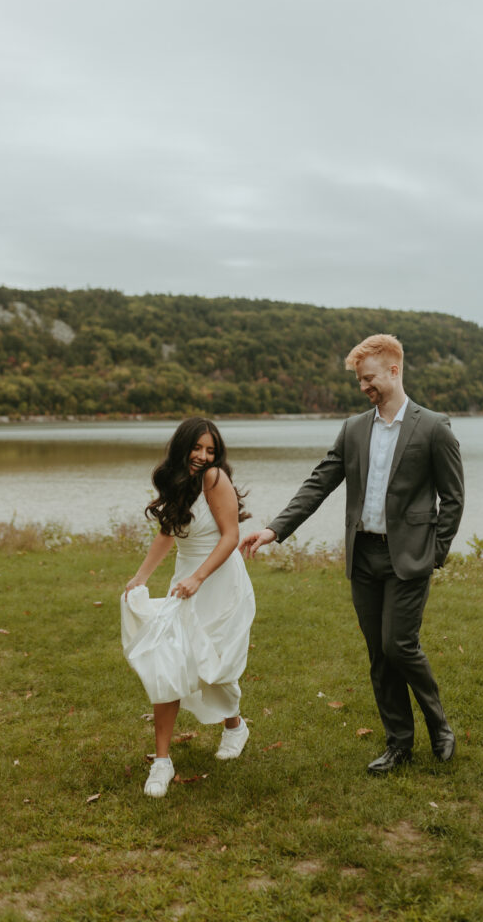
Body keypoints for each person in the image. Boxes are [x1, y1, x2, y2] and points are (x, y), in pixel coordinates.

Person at [240, 334, 464, 775]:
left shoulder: (434, 427)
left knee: (399, 646)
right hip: (364, 558)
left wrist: (434, 554)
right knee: (379, 656)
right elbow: (319, 483)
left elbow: (452, 498)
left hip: (409, 558)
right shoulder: (353, 429)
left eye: (369, 378)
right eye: (360, 380)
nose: (364, 386)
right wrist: (274, 529)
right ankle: (399, 743)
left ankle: (438, 724)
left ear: (394, 370)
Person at [121, 417, 255, 797]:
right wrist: (141, 577)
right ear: (182, 447)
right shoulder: (177, 481)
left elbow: (231, 537)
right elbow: (168, 531)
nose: (203, 456)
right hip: (186, 581)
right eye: (197, 448)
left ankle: (234, 726)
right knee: (170, 661)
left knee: (215, 665)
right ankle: (162, 762)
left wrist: (198, 578)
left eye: (210, 450)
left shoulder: (214, 479)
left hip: (220, 581)